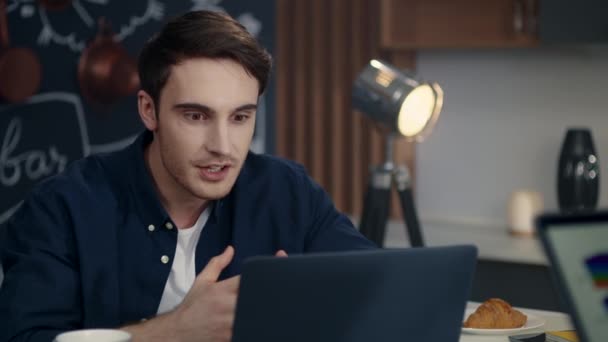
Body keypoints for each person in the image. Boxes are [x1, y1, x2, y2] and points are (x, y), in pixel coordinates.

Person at [0, 9, 375, 342]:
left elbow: (379, 292)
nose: (223, 146)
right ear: (149, 111)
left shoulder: (289, 194)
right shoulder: (62, 208)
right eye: (196, 116)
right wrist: (174, 331)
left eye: (240, 117)